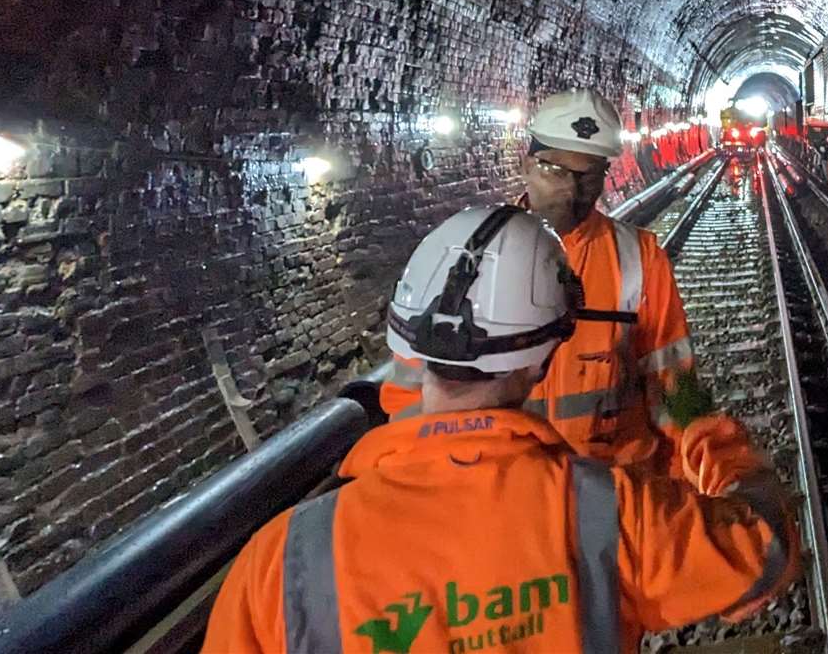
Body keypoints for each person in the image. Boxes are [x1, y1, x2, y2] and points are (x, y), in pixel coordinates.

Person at [202, 206, 796, 654]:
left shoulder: (284, 559)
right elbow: (766, 552)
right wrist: (714, 442)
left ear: (406, 345)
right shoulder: (610, 513)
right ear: (544, 361)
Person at [381, 89, 699, 475]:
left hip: (613, 501)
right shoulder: (464, 251)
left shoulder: (640, 258)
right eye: (555, 170)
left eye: (589, 176)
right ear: (527, 163)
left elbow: (675, 387)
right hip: (499, 496)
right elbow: (410, 395)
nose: (571, 190)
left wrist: (683, 490)